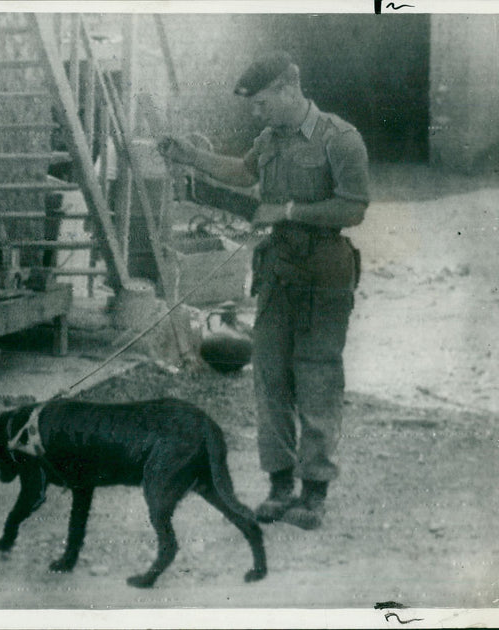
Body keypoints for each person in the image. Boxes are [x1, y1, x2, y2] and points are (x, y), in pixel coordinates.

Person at [158, 51, 369, 530]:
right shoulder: (270, 139)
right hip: (278, 271)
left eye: (261, 103)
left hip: (325, 273)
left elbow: (354, 208)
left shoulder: (341, 139)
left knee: (316, 378)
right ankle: (280, 485)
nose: (256, 114)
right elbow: (242, 171)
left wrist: (289, 211)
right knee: (270, 376)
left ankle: (313, 491)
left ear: (288, 88)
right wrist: (191, 156)